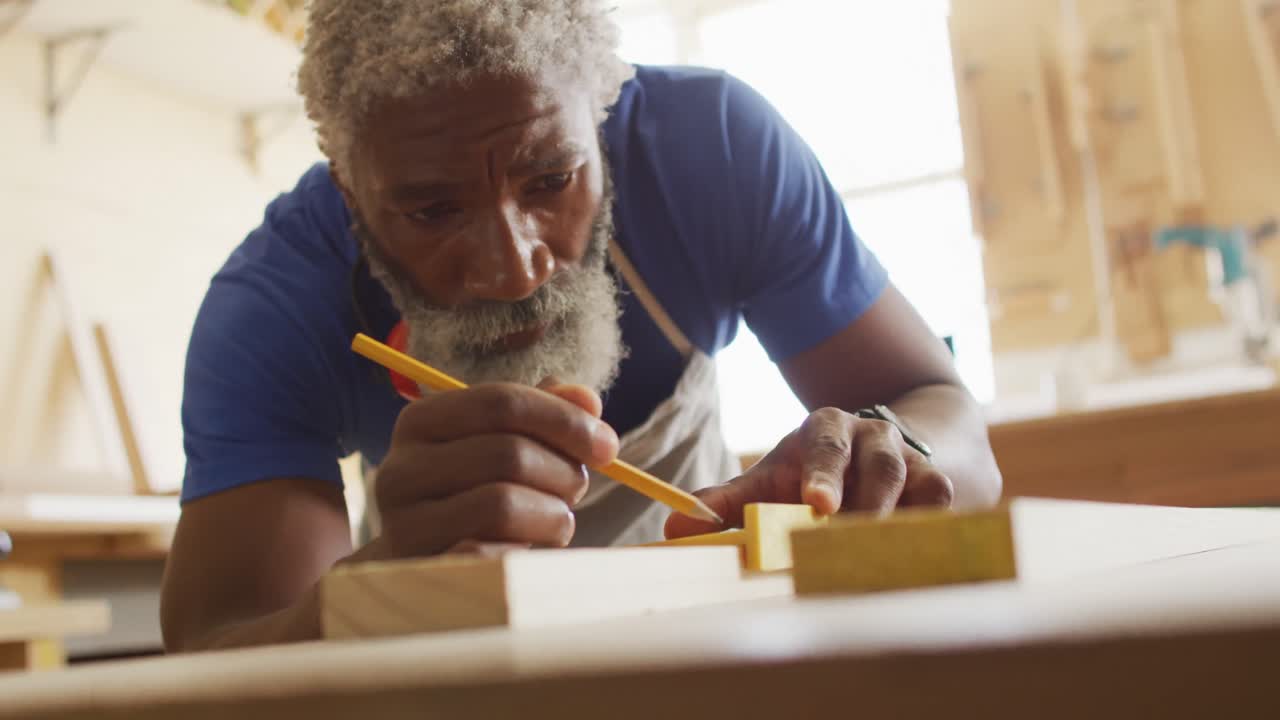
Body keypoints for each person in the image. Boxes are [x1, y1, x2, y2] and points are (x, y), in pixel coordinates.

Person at [160, 0, 1002, 652]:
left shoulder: (713, 152)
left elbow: (946, 416)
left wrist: (886, 453)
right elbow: (216, 654)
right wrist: (387, 585)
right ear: (349, 195)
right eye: (432, 210)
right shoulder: (273, 307)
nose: (513, 266)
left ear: (603, 119)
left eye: (551, 179)